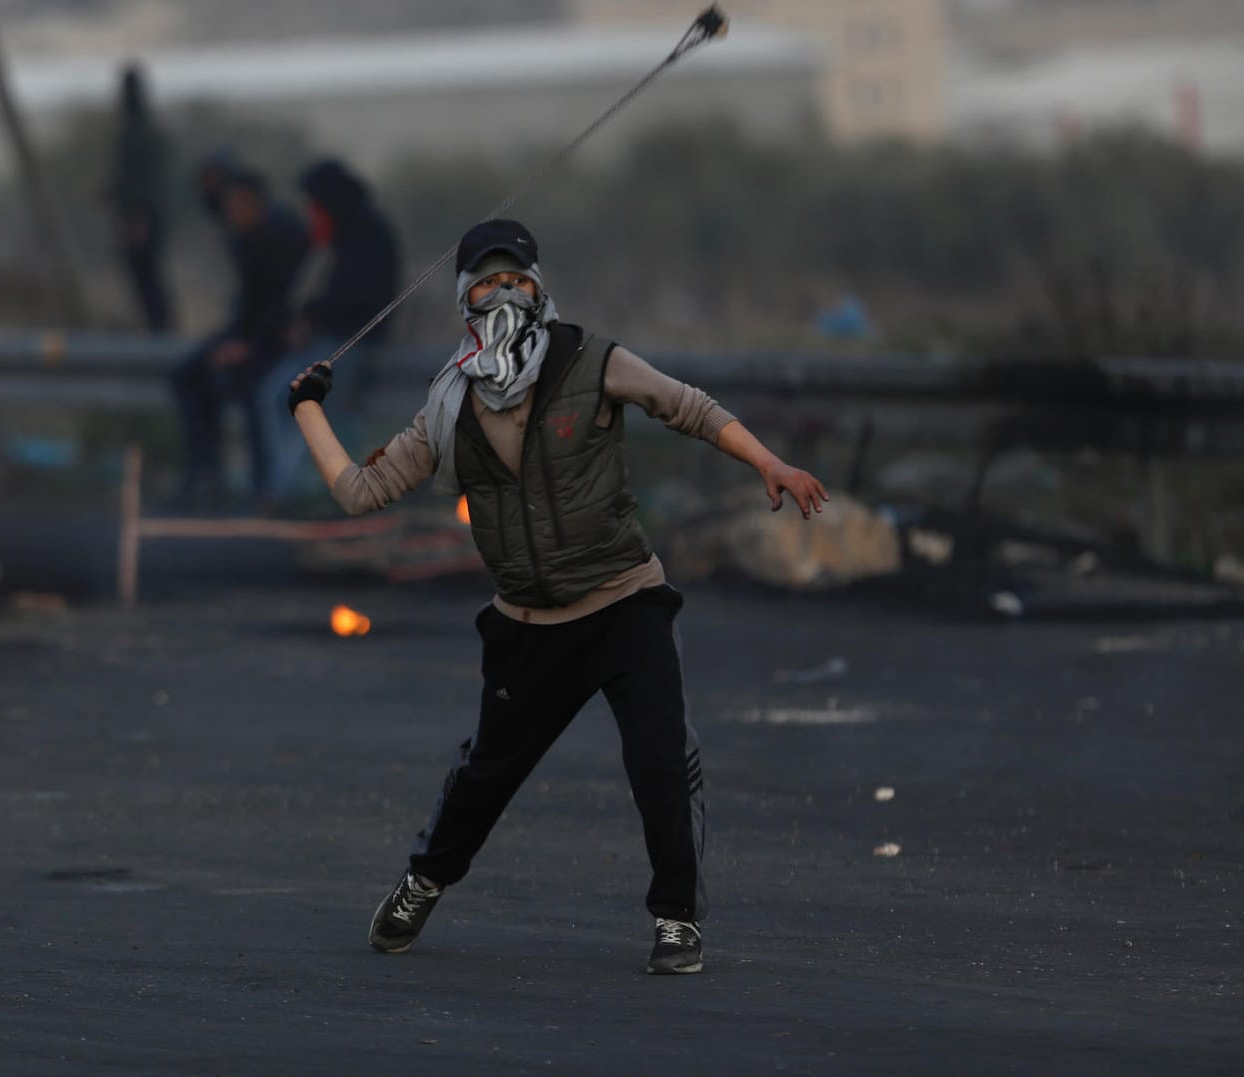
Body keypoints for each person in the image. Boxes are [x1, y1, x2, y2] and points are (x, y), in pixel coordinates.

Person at [284, 219, 830, 975]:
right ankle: (423, 882)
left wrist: (770, 463)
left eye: (517, 279)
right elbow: (360, 491)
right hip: (529, 624)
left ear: (540, 288)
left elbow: (690, 407)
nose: (504, 293)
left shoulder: (591, 359)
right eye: (487, 282)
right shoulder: (447, 406)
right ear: (464, 300)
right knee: (487, 778)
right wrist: (307, 408)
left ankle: (676, 920)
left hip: (625, 599)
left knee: (661, 760)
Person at [255, 158, 400, 502]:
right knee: (275, 396)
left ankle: (298, 496)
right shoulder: (335, 233)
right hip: (324, 341)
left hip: (352, 343)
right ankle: (287, 490)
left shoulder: (368, 235)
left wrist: (313, 317)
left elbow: (362, 300)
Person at [168, 168, 310, 506]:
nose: (231, 213)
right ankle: (205, 473)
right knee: (187, 377)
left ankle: (261, 486)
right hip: (249, 338)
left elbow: (283, 306)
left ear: (254, 204)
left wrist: (247, 347)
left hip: (277, 345)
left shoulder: (283, 240)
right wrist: (229, 343)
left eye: (236, 205)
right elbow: (247, 307)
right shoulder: (244, 239)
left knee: (252, 390)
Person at [107, 64, 174, 331]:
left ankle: (159, 329)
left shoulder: (138, 131)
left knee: (146, 275)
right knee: (144, 276)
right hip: (141, 214)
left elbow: (143, 179)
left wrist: (137, 216)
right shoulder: (139, 128)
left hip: (142, 216)